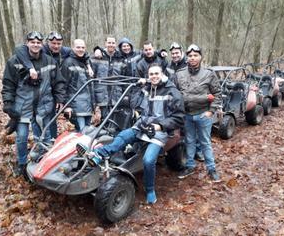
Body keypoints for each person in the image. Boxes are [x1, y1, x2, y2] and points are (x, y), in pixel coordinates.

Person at [78, 63, 185, 204]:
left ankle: (150, 189)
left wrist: (160, 126)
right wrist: (138, 88)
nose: (153, 76)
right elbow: (133, 105)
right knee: (123, 136)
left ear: (162, 74)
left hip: (159, 132)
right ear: (148, 76)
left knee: (148, 160)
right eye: (151, 74)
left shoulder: (172, 92)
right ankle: (99, 155)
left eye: (156, 74)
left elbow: (178, 118)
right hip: (142, 125)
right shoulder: (147, 88)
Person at [1, 31, 65, 177]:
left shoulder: (49, 61)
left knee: (44, 138)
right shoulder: (14, 61)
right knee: (22, 137)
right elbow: (8, 85)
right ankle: (22, 164)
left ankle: (44, 164)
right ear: (27, 43)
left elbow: (59, 82)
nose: (35, 45)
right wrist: (8, 104)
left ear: (42, 44)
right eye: (32, 42)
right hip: (22, 106)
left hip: (44, 105)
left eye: (38, 42)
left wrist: (60, 99)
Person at [12, 31, 94, 139]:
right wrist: (30, 67)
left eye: (58, 44)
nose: (56, 46)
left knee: (52, 120)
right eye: (53, 43)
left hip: (57, 88)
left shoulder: (65, 51)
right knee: (41, 121)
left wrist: (88, 64)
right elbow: (19, 49)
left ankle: (53, 142)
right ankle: (42, 146)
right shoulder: (42, 49)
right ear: (47, 43)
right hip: (42, 90)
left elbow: (82, 53)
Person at [174, 44, 222, 181]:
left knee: (205, 142)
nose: (192, 58)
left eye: (195, 55)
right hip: (187, 115)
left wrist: (211, 111)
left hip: (203, 114)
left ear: (200, 57)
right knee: (189, 141)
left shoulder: (209, 74)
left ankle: (211, 169)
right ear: (186, 57)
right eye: (190, 56)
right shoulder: (179, 74)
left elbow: (217, 93)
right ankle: (190, 166)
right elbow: (175, 94)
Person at [169, 42, 204, 162]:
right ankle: (182, 150)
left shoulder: (188, 64)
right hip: (174, 101)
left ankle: (198, 151)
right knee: (180, 129)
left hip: (189, 103)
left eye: (177, 53)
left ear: (182, 53)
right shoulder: (168, 66)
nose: (175, 55)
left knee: (194, 128)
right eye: (172, 53)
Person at [61, 39, 95, 132]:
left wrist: (94, 104)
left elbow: (90, 85)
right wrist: (66, 105)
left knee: (88, 134)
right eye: (78, 47)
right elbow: (63, 86)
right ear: (73, 48)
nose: (81, 49)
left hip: (88, 105)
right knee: (81, 132)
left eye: (83, 47)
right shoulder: (68, 62)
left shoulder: (87, 62)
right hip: (75, 105)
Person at [91, 36, 126, 118]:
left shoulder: (121, 58)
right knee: (102, 125)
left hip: (116, 97)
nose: (111, 45)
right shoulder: (97, 57)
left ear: (116, 44)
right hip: (101, 97)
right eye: (109, 42)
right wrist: (94, 102)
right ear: (105, 43)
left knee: (115, 124)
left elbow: (124, 78)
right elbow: (92, 79)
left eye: (113, 43)